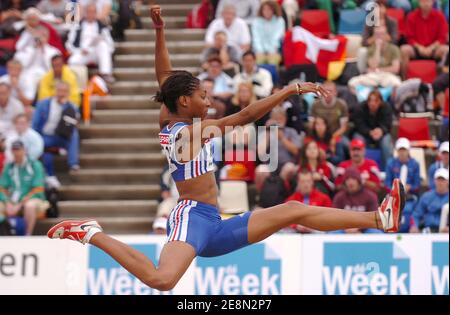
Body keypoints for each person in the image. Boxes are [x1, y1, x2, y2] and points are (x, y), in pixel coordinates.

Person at [46, 5, 405, 292]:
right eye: (202, 95)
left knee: (294, 209)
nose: (208, 98)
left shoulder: (178, 116)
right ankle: (91, 233)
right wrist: (289, 90)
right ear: (185, 102)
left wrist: (159, 32)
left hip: (214, 224)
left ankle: (379, 218)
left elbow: (164, 78)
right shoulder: (193, 132)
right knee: (162, 280)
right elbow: (247, 113)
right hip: (191, 218)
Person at [32, 81, 80, 188]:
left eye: (64, 91)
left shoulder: (72, 107)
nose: (61, 94)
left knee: (74, 134)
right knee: (47, 154)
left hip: (61, 137)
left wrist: (66, 109)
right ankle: (51, 176)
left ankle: (73, 164)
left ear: (68, 93)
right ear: (55, 91)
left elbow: (74, 125)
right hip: (44, 137)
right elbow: (34, 125)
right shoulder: (43, 104)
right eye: (59, 91)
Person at [0, 140, 48, 235]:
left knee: (29, 206)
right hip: (12, 201)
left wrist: (20, 204)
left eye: (18, 150)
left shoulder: (35, 165)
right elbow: (2, 187)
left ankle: (27, 235)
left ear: (24, 150)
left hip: (32, 199)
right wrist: (7, 202)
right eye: (14, 150)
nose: (16, 152)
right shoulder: (9, 166)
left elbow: (37, 189)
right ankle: (4, 234)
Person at [66, 4, 115, 83]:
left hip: (97, 52)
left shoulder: (102, 26)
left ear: (96, 13)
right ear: (85, 13)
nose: (90, 14)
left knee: (103, 45)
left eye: (93, 12)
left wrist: (103, 47)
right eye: (89, 12)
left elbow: (110, 45)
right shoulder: (77, 26)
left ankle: (105, 73)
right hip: (82, 52)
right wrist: (79, 51)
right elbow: (70, 44)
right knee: (72, 61)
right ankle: (77, 82)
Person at [401, 0, 449, 78]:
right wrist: (420, 48)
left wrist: (431, 48)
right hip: (417, 48)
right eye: (423, 2)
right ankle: (404, 78)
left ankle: (442, 79)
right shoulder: (412, 16)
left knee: (446, 50)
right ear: (419, 3)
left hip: (434, 49)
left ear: (432, 2)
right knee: (404, 49)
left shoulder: (440, 16)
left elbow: (442, 37)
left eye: (428, 1)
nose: (426, 4)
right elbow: (409, 37)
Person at [349, 25, 402, 92]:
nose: (379, 37)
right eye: (377, 34)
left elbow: (395, 69)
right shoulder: (371, 49)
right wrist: (378, 48)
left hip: (387, 75)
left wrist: (378, 70)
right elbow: (373, 65)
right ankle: (365, 99)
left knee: (397, 84)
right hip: (373, 76)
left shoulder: (394, 49)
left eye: (381, 34)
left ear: (386, 35)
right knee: (352, 83)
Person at [385, 137, 421, 232]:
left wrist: (410, 187)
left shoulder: (415, 164)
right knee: (388, 208)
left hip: (409, 195)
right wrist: (394, 190)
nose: (402, 152)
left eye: (404, 150)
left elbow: (417, 185)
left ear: (408, 151)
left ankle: (412, 227)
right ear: (397, 151)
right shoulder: (391, 163)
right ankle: (389, 228)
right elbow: (387, 183)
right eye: (400, 150)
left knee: (411, 208)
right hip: (393, 195)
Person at [332, 167, 382, 234]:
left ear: (359, 181)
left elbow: (374, 218)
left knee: (377, 233)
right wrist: (346, 228)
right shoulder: (339, 197)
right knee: (332, 233)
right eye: (347, 179)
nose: (350, 182)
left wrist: (359, 228)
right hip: (344, 229)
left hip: (365, 229)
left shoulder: (370, 196)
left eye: (353, 179)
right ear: (344, 182)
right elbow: (334, 217)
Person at [353, 89, 393, 169]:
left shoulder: (387, 108)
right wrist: (369, 132)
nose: (372, 103)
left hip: (381, 134)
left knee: (386, 142)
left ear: (381, 102)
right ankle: (360, 168)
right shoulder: (360, 107)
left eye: (376, 101)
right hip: (365, 134)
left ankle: (386, 170)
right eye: (370, 101)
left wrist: (381, 130)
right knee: (358, 140)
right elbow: (359, 125)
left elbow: (388, 124)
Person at [410, 168, 449, 233]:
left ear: (448, 181)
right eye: (438, 180)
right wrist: (414, 226)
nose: (440, 182)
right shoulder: (426, 196)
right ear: (434, 181)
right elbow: (416, 215)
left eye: (443, 180)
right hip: (429, 231)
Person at [251, 0, 285, 65]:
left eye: (269, 9)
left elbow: (277, 37)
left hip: (274, 50)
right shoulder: (256, 21)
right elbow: (256, 38)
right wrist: (260, 50)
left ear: (274, 10)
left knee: (272, 62)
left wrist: (271, 51)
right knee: (259, 61)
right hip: (259, 51)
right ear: (261, 10)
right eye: (264, 9)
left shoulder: (280, 20)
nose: (266, 12)